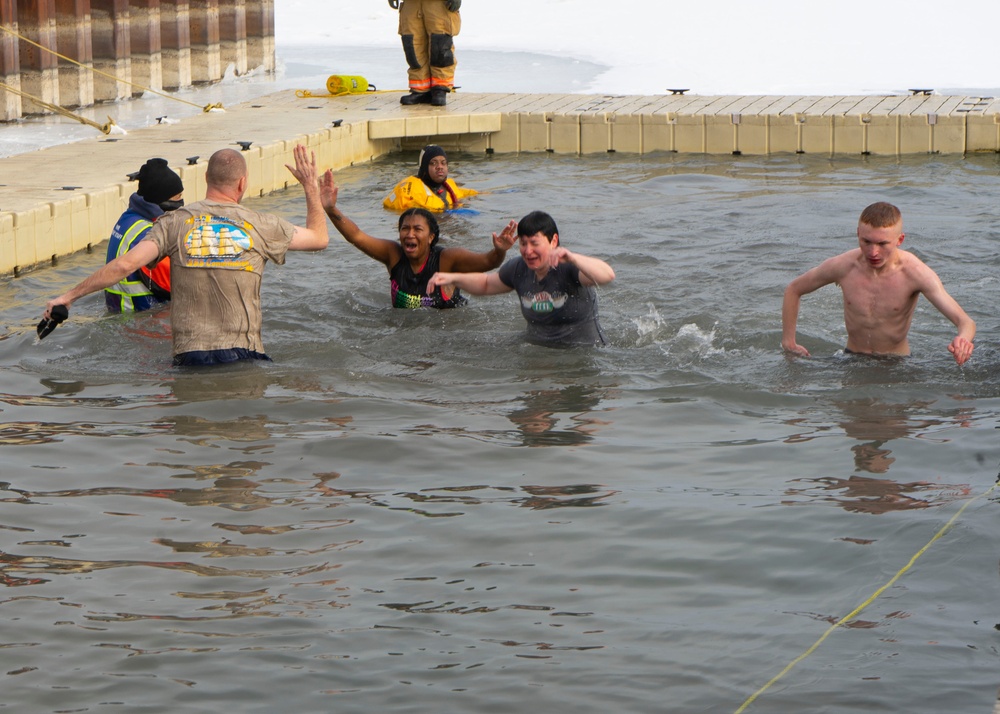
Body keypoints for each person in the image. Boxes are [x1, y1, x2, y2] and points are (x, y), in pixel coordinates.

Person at [42, 145, 331, 366]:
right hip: (244, 354)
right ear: (242, 184)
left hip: (189, 357)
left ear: (205, 178)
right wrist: (310, 187)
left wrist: (67, 297)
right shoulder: (262, 224)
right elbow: (319, 238)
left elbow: (124, 264)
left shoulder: (172, 223)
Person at [781, 201, 975, 365]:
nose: (873, 252)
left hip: (896, 363)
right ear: (858, 234)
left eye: (882, 244)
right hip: (851, 359)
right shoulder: (843, 266)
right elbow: (794, 289)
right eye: (866, 242)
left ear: (899, 239)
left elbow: (965, 322)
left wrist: (963, 340)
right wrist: (789, 342)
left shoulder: (916, 273)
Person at [323, 174, 515, 308]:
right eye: (405, 229)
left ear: (431, 237)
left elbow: (489, 262)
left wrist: (499, 250)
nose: (410, 234)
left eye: (417, 229)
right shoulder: (393, 255)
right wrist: (331, 209)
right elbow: (356, 236)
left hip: (448, 330)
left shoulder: (447, 259)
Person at [426, 210, 616, 344]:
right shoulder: (518, 268)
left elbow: (607, 275)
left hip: (582, 353)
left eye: (534, 243)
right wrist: (452, 278)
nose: (528, 251)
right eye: (523, 244)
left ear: (554, 241)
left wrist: (574, 258)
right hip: (538, 353)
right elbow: (485, 284)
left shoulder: (569, 268)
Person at [104, 157, 184, 313]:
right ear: (161, 199)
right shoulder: (147, 235)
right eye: (178, 197)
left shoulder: (129, 218)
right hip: (139, 321)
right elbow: (179, 283)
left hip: (120, 310)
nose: (181, 202)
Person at [389, 0, 462, 106]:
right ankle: (420, 89)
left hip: (438, 4)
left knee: (440, 45)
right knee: (413, 47)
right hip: (411, 4)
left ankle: (440, 88)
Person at [382, 145, 477, 212]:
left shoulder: (448, 185)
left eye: (443, 163)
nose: (440, 167)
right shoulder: (409, 190)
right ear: (424, 168)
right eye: (433, 163)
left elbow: (463, 192)